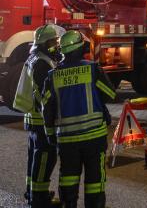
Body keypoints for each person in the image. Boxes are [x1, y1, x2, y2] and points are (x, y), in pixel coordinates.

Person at [42, 30, 116, 208]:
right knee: (95, 181)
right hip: (94, 137)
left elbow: (46, 108)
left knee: (68, 179)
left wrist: (50, 134)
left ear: (62, 51)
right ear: (81, 48)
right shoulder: (92, 69)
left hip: (67, 139)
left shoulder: (52, 76)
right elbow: (111, 95)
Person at [13, 24, 65, 208]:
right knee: (44, 160)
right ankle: (39, 200)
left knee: (35, 159)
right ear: (45, 43)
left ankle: (33, 192)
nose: (56, 45)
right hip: (41, 121)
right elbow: (46, 97)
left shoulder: (36, 57)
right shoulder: (42, 63)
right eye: (54, 42)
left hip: (33, 118)